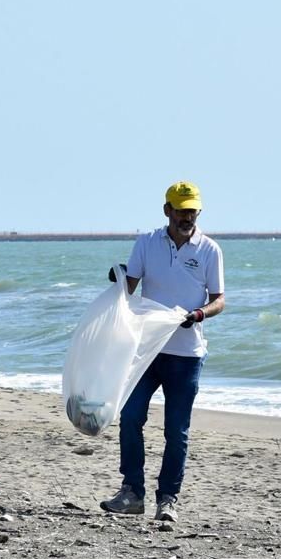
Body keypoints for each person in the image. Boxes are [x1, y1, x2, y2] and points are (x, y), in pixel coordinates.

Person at [99, 181, 225, 523]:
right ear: (167, 209)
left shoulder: (209, 250)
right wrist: (118, 279)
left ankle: (167, 499)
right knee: (130, 418)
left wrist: (198, 315)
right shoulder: (147, 243)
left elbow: (219, 300)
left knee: (176, 431)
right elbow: (130, 285)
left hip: (187, 354)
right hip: (147, 349)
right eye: (181, 210)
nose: (187, 216)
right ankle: (132, 493)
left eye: (192, 210)